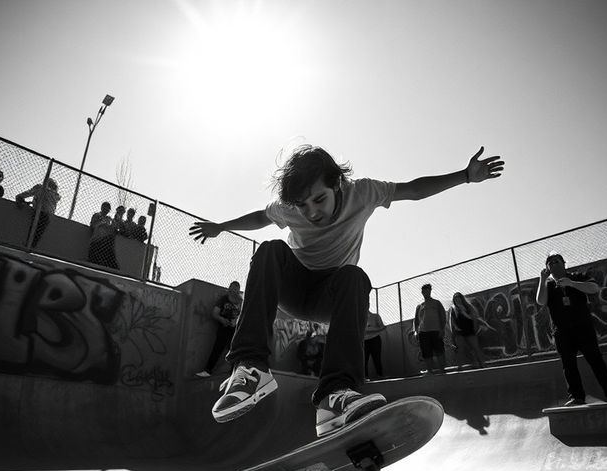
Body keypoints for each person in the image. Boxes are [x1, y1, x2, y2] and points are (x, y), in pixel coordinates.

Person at [189, 144, 503, 437]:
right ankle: (251, 367)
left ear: (337, 184)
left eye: (318, 200)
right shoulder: (290, 208)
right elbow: (261, 216)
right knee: (270, 249)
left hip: (333, 294)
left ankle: (334, 395)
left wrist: (464, 176)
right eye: (302, 205)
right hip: (294, 289)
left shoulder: (364, 192)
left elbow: (414, 190)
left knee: (355, 276)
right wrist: (220, 226)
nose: (311, 213)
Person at [536, 252, 607, 406]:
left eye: (557, 261)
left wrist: (572, 284)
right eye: (550, 262)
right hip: (561, 331)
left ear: (564, 263)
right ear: (547, 268)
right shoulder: (547, 284)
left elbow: (594, 288)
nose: (553, 263)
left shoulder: (578, 276)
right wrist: (542, 280)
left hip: (583, 328)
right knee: (568, 366)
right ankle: (577, 397)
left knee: (596, 360)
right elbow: (541, 301)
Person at [196, 281, 243, 377]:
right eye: (231, 288)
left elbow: (242, 314)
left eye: (235, 289)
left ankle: (234, 374)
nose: (232, 291)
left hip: (235, 330)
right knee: (217, 349)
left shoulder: (241, 301)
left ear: (238, 291)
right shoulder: (224, 300)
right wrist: (222, 320)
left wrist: (236, 321)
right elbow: (214, 313)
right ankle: (208, 370)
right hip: (224, 327)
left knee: (236, 350)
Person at [15, 177, 60, 248]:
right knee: (36, 235)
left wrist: (21, 198)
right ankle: (29, 247)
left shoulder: (40, 188)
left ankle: (28, 246)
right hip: (46, 215)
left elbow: (26, 194)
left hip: (40, 213)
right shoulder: (55, 195)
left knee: (33, 233)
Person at [413, 283, 447, 374]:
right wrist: (416, 332)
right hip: (423, 333)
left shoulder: (437, 303)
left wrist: (442, 329)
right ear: (422, 292)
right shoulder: (419, 306)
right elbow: (416, 320)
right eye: (423, 291)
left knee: (439, 351)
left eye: (427, 290)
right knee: (426, 352)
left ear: (430, 291)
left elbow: (443, 316)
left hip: (436, 331)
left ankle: (442, 370)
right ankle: (429, 370)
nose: (425, 293)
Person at [448, 292, 486, 369]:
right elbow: (452, 321)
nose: (457, 300)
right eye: (455, 298)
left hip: (469, 329)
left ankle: (481, 363)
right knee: (460, 349)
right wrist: (454, 329)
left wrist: (463, 312)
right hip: (459, 331)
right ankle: (460, 366)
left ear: (462, 298)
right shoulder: (453, 309)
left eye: (458, 298)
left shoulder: (468, 307)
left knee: (475, 347)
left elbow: (473, 318)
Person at [88, 201, 119, 269]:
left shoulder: (109, 219)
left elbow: (113, 228)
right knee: (93, 261)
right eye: (105, 207)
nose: (106, 209)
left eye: (108, 208)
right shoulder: (97, 215)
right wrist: (102, 223)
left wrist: (115, 221)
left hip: (105, 243)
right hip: (96, 240)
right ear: (102, 207)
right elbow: (93, 225)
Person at [364, 310, 386, 378]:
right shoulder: (360, 318)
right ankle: (365, 377)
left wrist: (370, 330)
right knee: (364, 360)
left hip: (375, 340)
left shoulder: (375, 316)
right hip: (364, 341)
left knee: (377, 359)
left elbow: (383, 327)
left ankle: (380, 375)